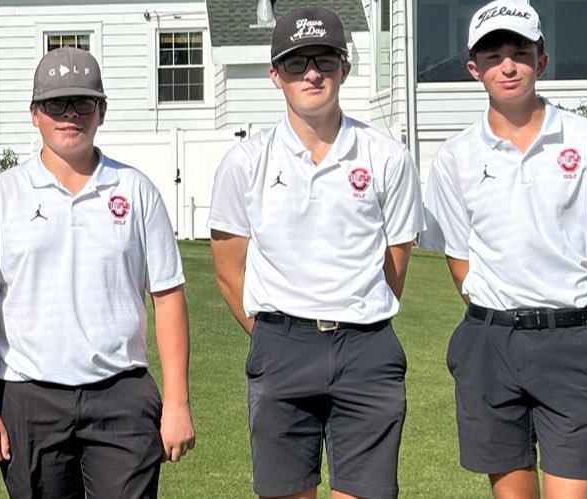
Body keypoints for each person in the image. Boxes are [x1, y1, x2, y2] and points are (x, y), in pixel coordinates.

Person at [208, 7, 423, 499]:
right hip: (281, 345)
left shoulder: (387, 156)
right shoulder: (245, 162)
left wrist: (353, 317)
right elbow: (227, 271)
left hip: (367, 349)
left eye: (324, 61)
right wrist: (273, 335)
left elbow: (395, 264)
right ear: (274, 76)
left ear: (344, 69)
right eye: (296, 62)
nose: (311, 73)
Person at [0, 46, 195, 499]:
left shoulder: (137, 191)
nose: (69, 115)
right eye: (55, 104)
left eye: (83, 102)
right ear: (34, 114)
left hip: (122, 395)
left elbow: (167, 298)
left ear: (101, 111)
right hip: (29, 398)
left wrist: (178, 401)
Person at [424, 1, 587, 497]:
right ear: (475, 69)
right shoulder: (454, 157)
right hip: (490, 343)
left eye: (520, 51)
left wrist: (575, 314)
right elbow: (460, 258)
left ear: (542, 60)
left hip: (571, 342)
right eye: (493, 56)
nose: (507, 65)